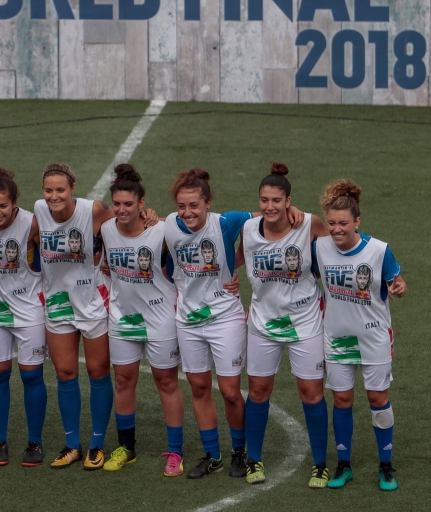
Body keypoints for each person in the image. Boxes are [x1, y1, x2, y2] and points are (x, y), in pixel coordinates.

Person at [163, 167, 302, 480]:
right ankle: (213, 456)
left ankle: (239, 451)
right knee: (199, 387)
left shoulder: (228, 221)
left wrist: (291, 208)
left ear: (209, 203)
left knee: (228, 391)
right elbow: (150, 226)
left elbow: (268, 212)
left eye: (194, 205)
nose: (187, 212)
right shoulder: (170, 224)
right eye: (182, 206)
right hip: (187, 321)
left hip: (225, 318)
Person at [31, 163, 155, 470]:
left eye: (60, 190)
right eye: (49, 190)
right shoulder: (38, 210)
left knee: (99, 374)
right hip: (58, 304)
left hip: (93, 303)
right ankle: (72, 444)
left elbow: (128, 226)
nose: (54, 196)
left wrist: (148, 215)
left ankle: (97, 444)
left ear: (73, 189)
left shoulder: (94, 210)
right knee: (65, 374)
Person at [239, 163, 332, 488]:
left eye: (277, 200)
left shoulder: (309, 225)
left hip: (306, 324)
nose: (270, 206)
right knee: (258, 391)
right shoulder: (248, 228)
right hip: (262, 324)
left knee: (311, 392)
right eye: (264, 200)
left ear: (288, 200)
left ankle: (320, 464)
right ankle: (254, 459)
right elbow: (227, 252)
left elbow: (340, 240)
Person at [315, 179, 406, 491]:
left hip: (374, 337)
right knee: (341, 399)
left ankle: (386, 466)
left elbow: (398, 282)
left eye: (343, 224)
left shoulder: (379, 250)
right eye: (331, 224)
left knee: (377, 398)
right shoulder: (319, 247)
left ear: (357, 221)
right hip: (336, 337)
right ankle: (343, 465)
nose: (337, 230)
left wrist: (400, 288)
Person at [98, 164, 185, 477]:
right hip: (122, 319)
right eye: (117, 204)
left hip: (160, 319)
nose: (122, 210)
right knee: (123, 381)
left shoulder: (161, 231)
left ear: (141, 204)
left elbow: (195, 228)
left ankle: (175, 451)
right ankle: (127, 447)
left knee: (166, 382)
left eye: (129, 204)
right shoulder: (106, 228)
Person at [0, 157, 47, 467]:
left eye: (3, 206)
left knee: (31, 375)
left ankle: (35, 442)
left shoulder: (31, 222)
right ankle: (0, 440)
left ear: (15, 203)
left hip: (29, 310)